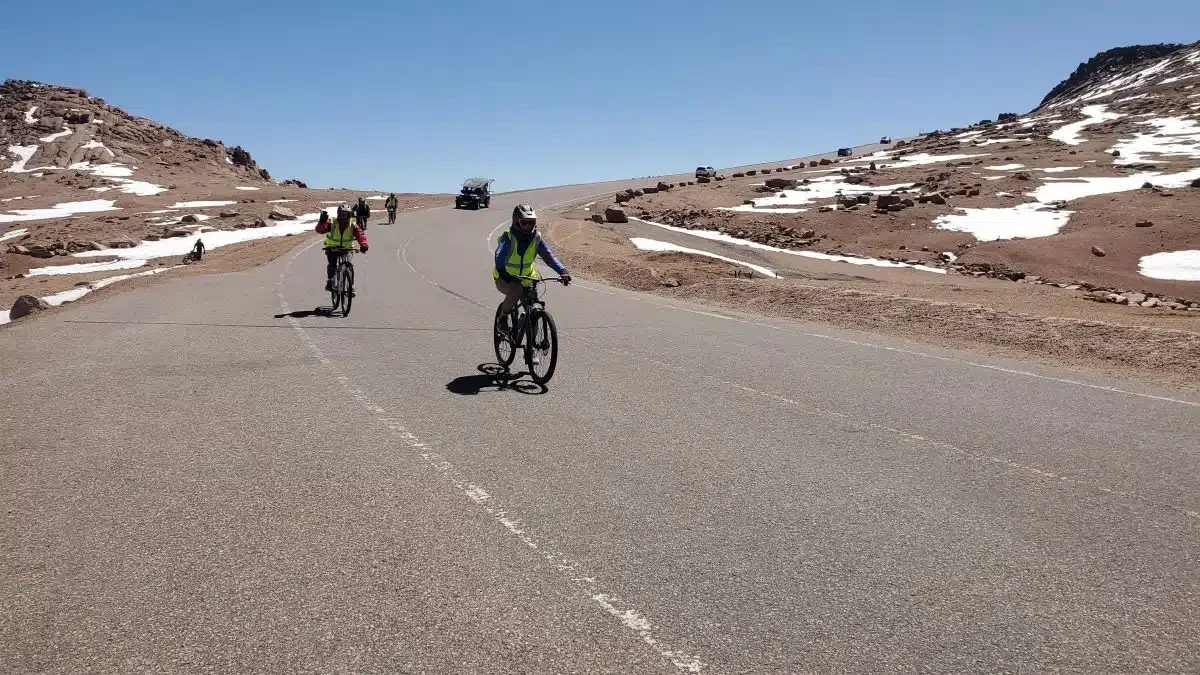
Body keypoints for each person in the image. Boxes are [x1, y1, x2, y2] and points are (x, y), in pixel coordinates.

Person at [492, 204, 571, 320]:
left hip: (527, 279)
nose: (528, 226)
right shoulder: (509, 237)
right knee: (516, 290)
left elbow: (549, 257)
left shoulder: (536, 238)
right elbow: (499, 256)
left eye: (531, 222)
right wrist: (505, 274)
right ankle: (502, 318)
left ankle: (530, 327)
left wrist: (562, 271)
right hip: (505, 278)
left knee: (532, 309)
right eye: (524, 222)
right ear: (516, 222)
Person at [316, 206, 368, 291]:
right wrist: (322, 221)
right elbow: (320, 230)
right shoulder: (332, 222)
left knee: (349, 265)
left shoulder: (352, 225)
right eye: (342, 214)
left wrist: (364, 245)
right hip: (332, 247)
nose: (344, 217)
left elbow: (360, 235)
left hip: (347, 248)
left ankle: (350, 286)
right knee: (332, 264)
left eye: (347, 215)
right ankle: (330, 281)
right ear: (338, 214)